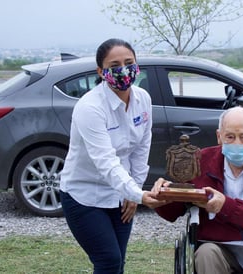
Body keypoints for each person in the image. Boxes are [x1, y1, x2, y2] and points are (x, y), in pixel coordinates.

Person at [60, 38, 164, 274]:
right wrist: (140, 195)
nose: (124, 70)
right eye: (115, 65)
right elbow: (105, 161)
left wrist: (133, 191)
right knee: (108, 260)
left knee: (119, 263)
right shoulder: (90, 108)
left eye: (129, 63)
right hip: (84, 194)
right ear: (101, 71)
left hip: (121, 194)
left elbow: (141, 149)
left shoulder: (143, 99)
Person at [153, 106, 243, 274]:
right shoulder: (200, 161)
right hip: (219, 243)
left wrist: (225, 206)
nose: (237, 143)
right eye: (230, 137)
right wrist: (163, 195)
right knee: (206, 253)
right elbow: (173, 211)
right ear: (219, 137)